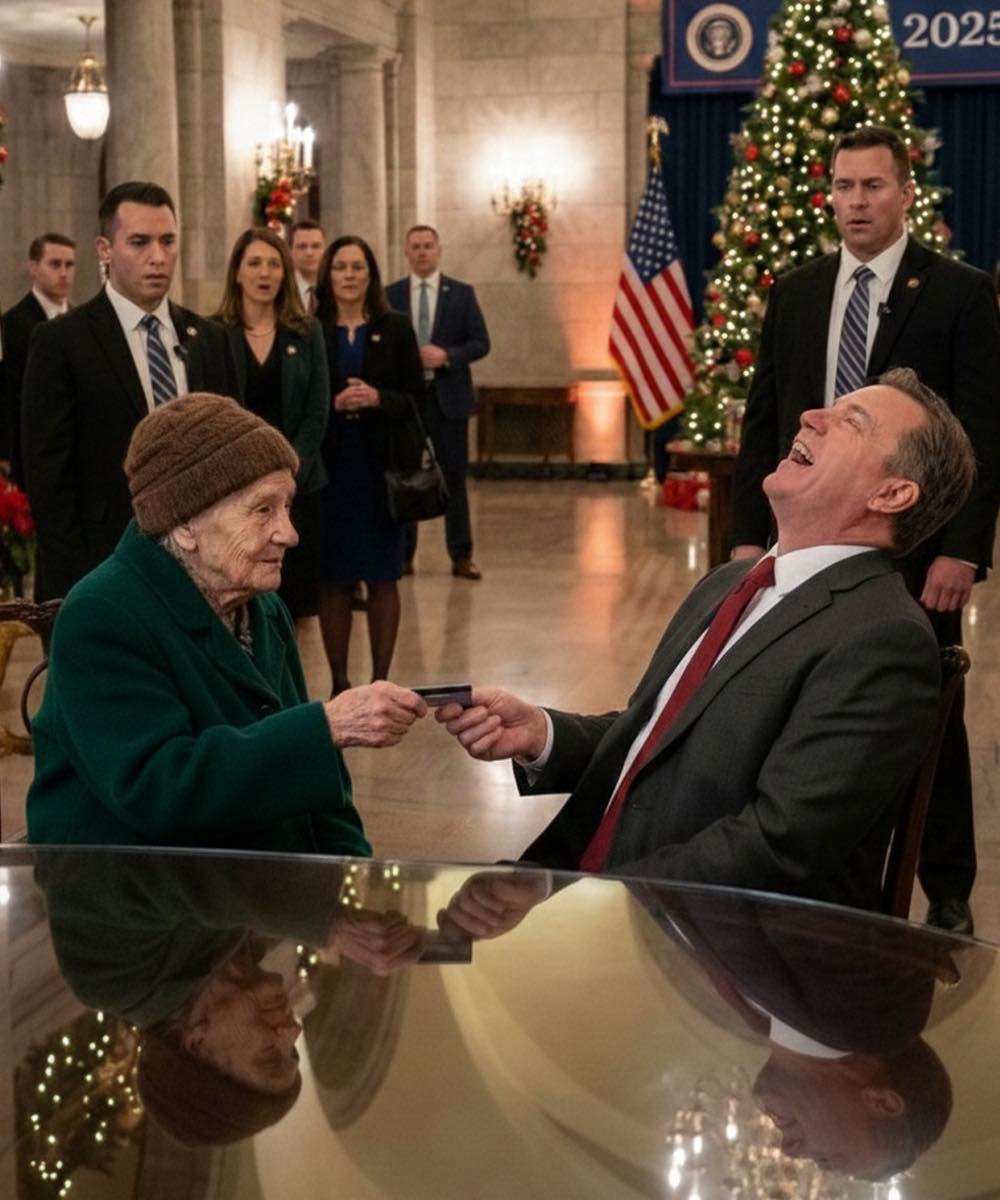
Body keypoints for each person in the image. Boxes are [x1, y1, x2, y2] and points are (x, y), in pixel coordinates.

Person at [436, 370, 975, 913]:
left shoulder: (882, 638)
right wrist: (544, 735)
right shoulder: (730, 583)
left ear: (892, 494)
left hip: (699, 937)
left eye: (850, 422)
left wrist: (589, 905)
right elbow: (664, 737)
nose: (811, 417)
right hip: (586, 887)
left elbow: (777, 844)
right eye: (827, 408)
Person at [730, 125, 1000, 936]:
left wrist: (963, 549)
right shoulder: (797, 291)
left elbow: (983, 428)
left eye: (873, 186)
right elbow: (765, 420)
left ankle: (945, 884)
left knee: (927, 715)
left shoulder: (956, 292)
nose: (856, 202)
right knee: (797, 694)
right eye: (844, 186)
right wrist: (746, 536)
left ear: (906, 193)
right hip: (804, 542)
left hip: (913, 547)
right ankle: (810, 864)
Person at [26, 393, 427, 852]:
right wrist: (325, 727)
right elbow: (160, 791)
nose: (289, 533)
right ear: (185, 525)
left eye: (287, 505)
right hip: (129, 883)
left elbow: (322, 795)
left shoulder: (262, 606)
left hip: (242, 874)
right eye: (263, 510)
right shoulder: (102, 615)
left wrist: (354, 874)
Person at [20, 181, 236, 602]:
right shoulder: (61, 342)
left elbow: (228, 455)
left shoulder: (210, 339)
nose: (158, 257)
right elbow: (47, 478)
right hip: (101, 567)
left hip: (201, 569)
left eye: (167, 241)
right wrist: (81, 587)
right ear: (105, 249)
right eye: (139, 242)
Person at [315, 235, 425, 694]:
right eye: (340, 267)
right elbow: (300, 399)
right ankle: (340, 682)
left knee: (383, 575)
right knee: (334, 578)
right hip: (331, 470)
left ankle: (381, 681)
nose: (349, 275)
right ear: (328, 275)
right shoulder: (311, 328)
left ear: (371, 274)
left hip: (381, 472)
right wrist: (332, 404)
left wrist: (379, 398)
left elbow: (416, 399)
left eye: (358, 267)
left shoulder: (395, 328)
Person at [215, 227, 329, 626]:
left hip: (298, 488)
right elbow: (212, 413)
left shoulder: (307, 332)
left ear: (285, 273)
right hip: (234, 490)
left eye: (274, 264)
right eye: (254, 263)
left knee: (294, 610)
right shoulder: (214, 333)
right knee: (238, 604)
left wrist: (289, 474)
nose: (264, 273)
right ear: (237, 272)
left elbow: (317, 412)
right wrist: (244, 478)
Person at [386, 224, 491, 579]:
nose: (422, 252)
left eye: (428, 245)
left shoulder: (461, 294)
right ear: (406, 252)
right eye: (415, 246)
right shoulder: (391, 295)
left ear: (439, 250)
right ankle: (403, 555)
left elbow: (481, 342)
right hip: (408, 402)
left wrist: (447, 355)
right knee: (406, 475)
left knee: (454, 479)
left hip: (448, 400)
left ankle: (461, 555)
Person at [1, 232, 77, 485]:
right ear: (34, 268)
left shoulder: (81, 320)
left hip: (74, 448)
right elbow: (7, 392)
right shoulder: (12, 323)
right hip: (29, 449)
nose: (64, 273)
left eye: (69, 265)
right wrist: (5, 452)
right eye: (55, 264)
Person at [289, 218, 325, 314]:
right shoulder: (283, 289)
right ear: (290, 251)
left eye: (316, 246)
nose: (309, 253)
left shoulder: (335, 288)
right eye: (302, 247)